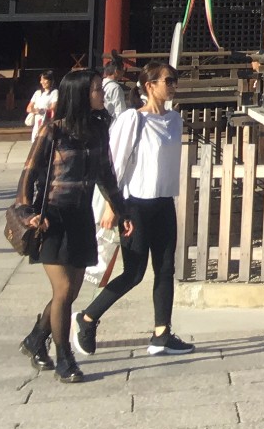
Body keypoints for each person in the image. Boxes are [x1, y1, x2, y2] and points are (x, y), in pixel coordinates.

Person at [16, 68, 127, 382]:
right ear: (80, 94)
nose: (101, 95)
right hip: (51, 217)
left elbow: (107, 176)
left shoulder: (98, 129)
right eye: (96, 90)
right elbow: (28, 176)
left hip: (80, 217)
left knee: (71, 291)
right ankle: (65, 359)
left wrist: (122, 212)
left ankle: (36, 338)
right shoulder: (53, 131)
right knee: (63, 289)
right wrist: (28, 214)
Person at [75, 63, 192, 356]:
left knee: (165, 269)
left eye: (175, 80)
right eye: (168, 80)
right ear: (150, 85)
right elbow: (113, 163)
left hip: (164, 202)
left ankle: (162, 333)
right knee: (134, 273)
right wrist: (112, 206)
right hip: (135, 205)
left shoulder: (175, 120)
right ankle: (88, 318)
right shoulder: (133, 120)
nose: (173, 85)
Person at [25, 71, 59, 142]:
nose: (42, 82)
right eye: (41, 80)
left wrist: (41, 110)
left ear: (51, 81)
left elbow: (53, 109)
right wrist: (36, 111)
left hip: (47, 122)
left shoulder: (54, 92)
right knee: (35, 142)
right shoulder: (37, 93)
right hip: (37, 122)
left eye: (44, 79)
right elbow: (28, 108)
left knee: (43, 142)